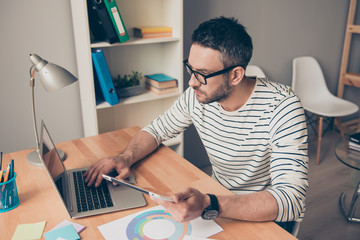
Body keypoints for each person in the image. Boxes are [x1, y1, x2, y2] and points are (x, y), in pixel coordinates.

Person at [84, 16, 308, 233]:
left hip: (265, 216)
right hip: (218, 201)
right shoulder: (198, 95)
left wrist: (210, 204)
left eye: (202, 74)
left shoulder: (283, 107)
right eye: (190, 68)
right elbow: (156, 130)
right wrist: (125, 157)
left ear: (236, 75)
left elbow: (291, 199)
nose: (191, 82)